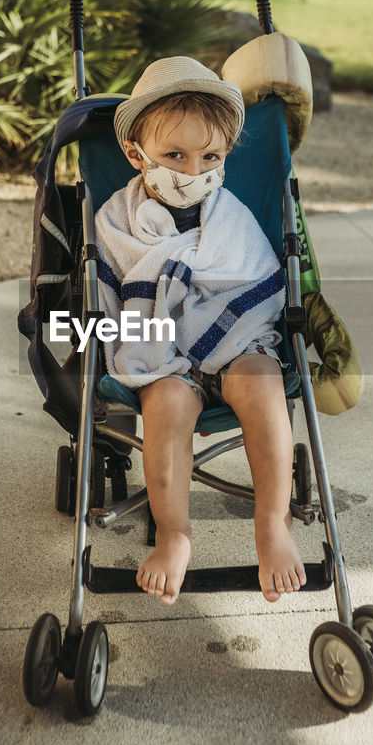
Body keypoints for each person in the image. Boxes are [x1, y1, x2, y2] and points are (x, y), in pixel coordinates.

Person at [94, 56, 306, 606]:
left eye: (210, 156)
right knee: (166, 404)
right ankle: (173, 534)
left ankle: (271, 523)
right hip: (162, 354)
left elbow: (255, 280)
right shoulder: (118, 220)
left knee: (261, 382)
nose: (192, 171)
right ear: (136, 153)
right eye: (175, 156)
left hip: (238, 345)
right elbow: (113, 295)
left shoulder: (230, 213)